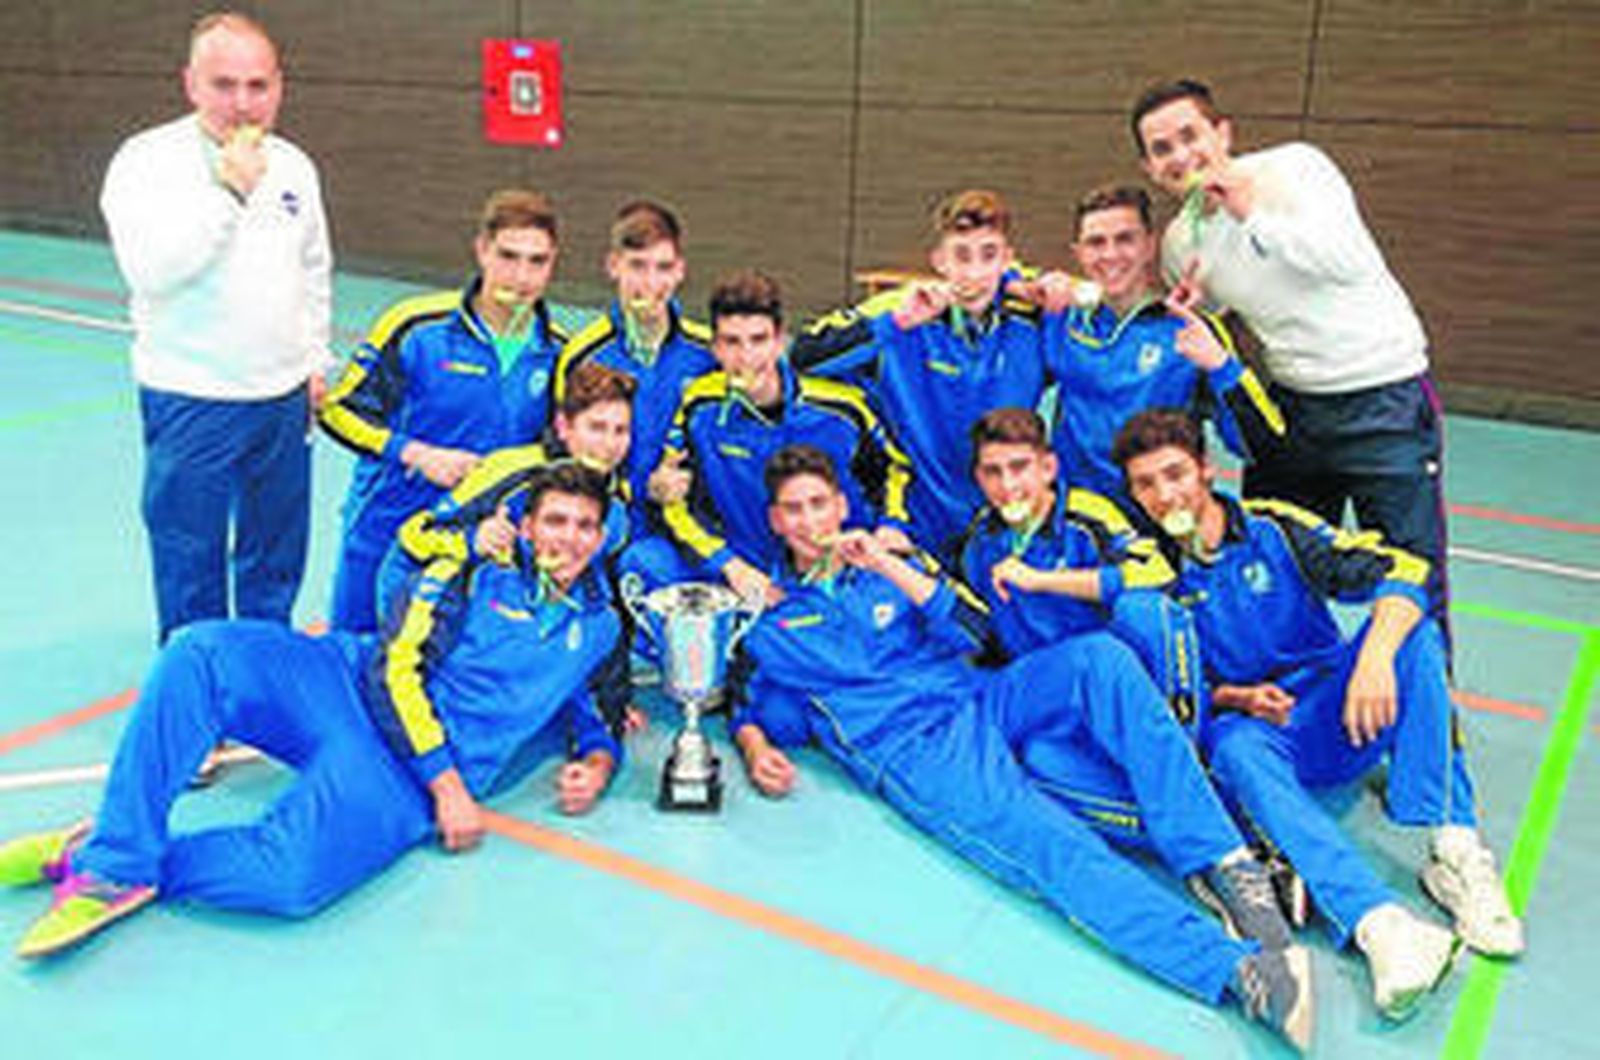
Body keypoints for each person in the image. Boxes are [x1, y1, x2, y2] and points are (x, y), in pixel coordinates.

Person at [730, 445, 1314, 1052]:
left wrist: (886, 563)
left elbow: (976, 630)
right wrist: (753, 749)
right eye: (792, 510)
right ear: (775, 521)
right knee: (1051, 843)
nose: (808, 521)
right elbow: (744, 699)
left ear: (842, 506)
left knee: (1101, 659)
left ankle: (1228, 865)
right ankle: (1238, 973)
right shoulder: (770, 618)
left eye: (819, 504)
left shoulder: (889, 564)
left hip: (981, 694)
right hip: (918, 750)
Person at [0, 463, 623, 959]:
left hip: (394, 776)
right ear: (528, 525)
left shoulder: (597, 627)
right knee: (199, 652)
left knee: (289, 880)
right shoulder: (469, 574)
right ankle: (117, 859)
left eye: (583, 527)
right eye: (555, 521)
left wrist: (596, 762)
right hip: (350, 687)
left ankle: (87, 857)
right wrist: (451, 786)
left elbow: (592, 705)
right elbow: (390, 670)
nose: (567, 538)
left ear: (600, 538)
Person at [1112, 408, 1523, 1021]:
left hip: (1340, 708)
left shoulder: (1277, 528)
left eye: (1175, 474)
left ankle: (1455, 854)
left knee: (1416, 638)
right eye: (1146, 484)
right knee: (1231, 749)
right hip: (1262, 733)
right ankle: (1380, 925)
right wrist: (1236, 697)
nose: (1164, 494)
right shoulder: (1146, 568)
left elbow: (1405, 569)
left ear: (1204, 468)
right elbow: (1169, 688)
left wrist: (1376, 657)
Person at [1130, 79, 1449, 619]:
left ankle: (1431, 704)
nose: (1181, 155)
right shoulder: (1183, 241)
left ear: (1223, 133)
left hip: (1382, 400)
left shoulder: (1295, 169)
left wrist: (1251, 211)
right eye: (1162, 148)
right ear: (1149, 169)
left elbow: (1347, 263)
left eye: (1191, 135)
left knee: (1410, 576)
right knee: (1273, 564)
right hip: (1293, 413)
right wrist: (1197, 309)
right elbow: (1215, 321)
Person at [100, 11, 331, 643]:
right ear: (191, 84)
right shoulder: (146, 162)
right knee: (188, 557)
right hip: (191, 396)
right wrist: (226, 194)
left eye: (258, 86)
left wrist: (315, 361)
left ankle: (259, 674)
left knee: (274, 554)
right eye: (224, 85)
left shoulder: (293, 167)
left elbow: (313, 269)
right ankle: (196, 682)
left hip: (283, 397)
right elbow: (152, 272)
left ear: (279, 86)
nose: (243, 103)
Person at [319, 188, 567, 632]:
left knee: (445, 674)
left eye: (537, 261)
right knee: (353, 660)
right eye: (508, 256)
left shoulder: (561, 353)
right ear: (482, 251)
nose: (522, 276)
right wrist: (417, 454)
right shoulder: (416, 328)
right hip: (387, 528)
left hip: (484, 542)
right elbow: (338, 412)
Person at [791, 189, 1051, 559]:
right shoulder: (903, 310)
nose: (974, 272)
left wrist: (1020, 281)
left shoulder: (1033, 318)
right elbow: (802, 356)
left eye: (988, 255)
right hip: (916, 519)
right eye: (961, 256)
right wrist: (896, 323)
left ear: (1007, 260)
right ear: (939, 261)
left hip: (1008, 514)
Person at [629, 269, 914, 606]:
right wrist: (729, 565)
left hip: (838, 568)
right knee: (643, 560)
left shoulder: (842, 408)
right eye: (732, 342)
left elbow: (897, 468)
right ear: (716, 348)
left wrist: (892, 524)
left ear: (780, 341)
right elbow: (676, 504)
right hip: (748, 571)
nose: (746, 357)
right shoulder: (699, 406)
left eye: (758, 340)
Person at [1028, 184, 1284, 499]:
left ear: (1150, 245)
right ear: (1078, 253)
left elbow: (1263, 442)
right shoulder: (1060, 319)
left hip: (1163, 518)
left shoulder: (1190, 330)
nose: (1110, 254)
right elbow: (978, 277)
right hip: (1083, 525)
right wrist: (1030, 285)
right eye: (1096, 243)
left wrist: (1221, 366)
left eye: (1125, 239)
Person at [959, 407, 1203, 730]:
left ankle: (1185, 738)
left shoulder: (1088, 515)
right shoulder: (981, 539)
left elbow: (1156, 573)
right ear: (979, 478)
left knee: (1147, 610)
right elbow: (981, 624)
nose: (1008, 485)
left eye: (1019, 467)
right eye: (993, 472)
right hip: (1052, 686)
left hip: (1113, 676)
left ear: (1048, 468)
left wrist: (1041, 581)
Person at [552, 200, 715, 514]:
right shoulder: (581, 356)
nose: (651, 283)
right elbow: (563, 453)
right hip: (605, 526)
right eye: (638, 266)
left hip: (684, 528)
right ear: (614, 265)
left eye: (663, 268)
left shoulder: (708, 355)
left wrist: (685, 481)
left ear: (680, 270)